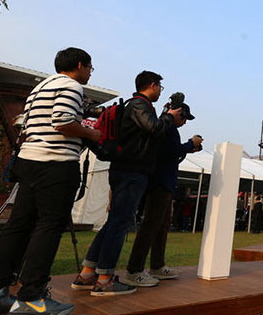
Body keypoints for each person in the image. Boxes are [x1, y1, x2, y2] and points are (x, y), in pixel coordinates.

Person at [0, 47, 101, 315]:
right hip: (55, 164)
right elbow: (63, 121)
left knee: (18, 226)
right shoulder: (71, 86)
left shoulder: (41, 87)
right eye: (90, 68)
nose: (90, 73)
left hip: (29, 161)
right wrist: (92, 134)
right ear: (80, 65)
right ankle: (32, 296)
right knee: (48, 227)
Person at [73, 71, 180, 296]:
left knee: (113, 222)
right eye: (160, 86)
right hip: (132, 170)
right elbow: (154, 127)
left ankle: (87, 273)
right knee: (120, 224)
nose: (161, 90)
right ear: (152, 85)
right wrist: (169, 117)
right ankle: (105, 279)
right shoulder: (139, 105)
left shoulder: (135, 105)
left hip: (126, 168)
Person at [124, 95, 202, 286]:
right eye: (183, 117)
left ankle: (157, 265)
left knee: (162, 224)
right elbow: (173, 151)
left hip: (163, 182)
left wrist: (188, 148)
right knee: (151, 225)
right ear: (177, 113)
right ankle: (135, 269)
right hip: (160, 182)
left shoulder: (166, 128)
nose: (184, 122)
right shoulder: (168, 128)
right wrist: (191, 143)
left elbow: (170, 152)